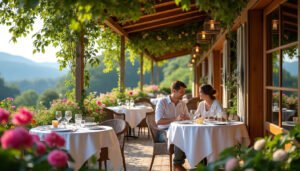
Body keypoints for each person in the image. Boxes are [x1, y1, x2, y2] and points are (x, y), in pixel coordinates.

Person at [155, 80, 189, 171]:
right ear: (174, 91)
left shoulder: (182, 103)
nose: (183, 94)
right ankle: (177, 165)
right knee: (178, 136)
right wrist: (175, 119)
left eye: (184, 92)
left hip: (181, 130)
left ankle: (200, 163)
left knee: (193, 136)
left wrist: (186, 118)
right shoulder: (162, 102)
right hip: (163, 132)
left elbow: (189, 118)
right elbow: (158, 121)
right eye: (181, 92)